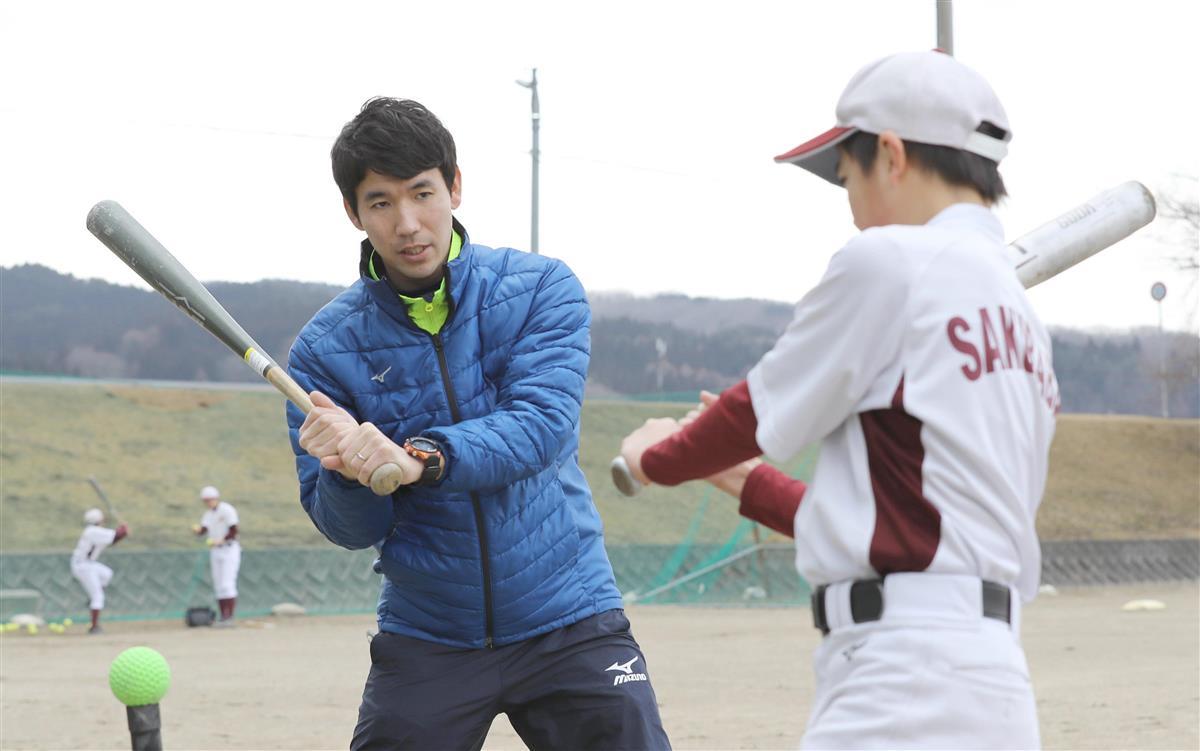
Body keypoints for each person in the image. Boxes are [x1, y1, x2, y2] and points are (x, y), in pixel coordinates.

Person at [619, 50, 1059, 750]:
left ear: (890, 154)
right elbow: (894, 519)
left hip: (902, 674)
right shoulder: (1021, 320)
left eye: (847, 176)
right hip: (992, 675)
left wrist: (653, 457)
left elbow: (748, 417)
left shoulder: (888, 261)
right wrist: (732, 475)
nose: (852, 208)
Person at [286, 97, 670, 750]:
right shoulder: (322, 351)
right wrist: (346, 471)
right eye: (381, 202)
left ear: (455, 185)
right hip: (429, 631)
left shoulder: (541, 289)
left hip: (568, 616)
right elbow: (351, 529)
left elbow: (540, 426)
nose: (408, 223)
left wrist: (421, 457)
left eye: (422, 192)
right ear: (354, 212)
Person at [71, 508, 128, 634]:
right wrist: (123, 528)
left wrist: (122, 531)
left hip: (88, 564)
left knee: (107, 574)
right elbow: (117, 535)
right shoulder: (93, 531)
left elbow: (114, 539)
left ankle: (92, 601)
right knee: (98, 596)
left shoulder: (93, 531)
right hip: (83, 566)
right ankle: (94, 627)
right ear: (99, 520)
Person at [191, 485, 241, 626]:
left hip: (229, 549)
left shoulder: (227, 509)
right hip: (215, 550)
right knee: (219, 584)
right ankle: (223, 616)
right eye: (205, 500)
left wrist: (222, 540)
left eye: (210, 499)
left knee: (227, 583)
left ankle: (229, 616)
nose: (208, 503)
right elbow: (204, 530)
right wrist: (198, 530)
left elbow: (233, 530)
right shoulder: (208, 514)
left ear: (216, 498)